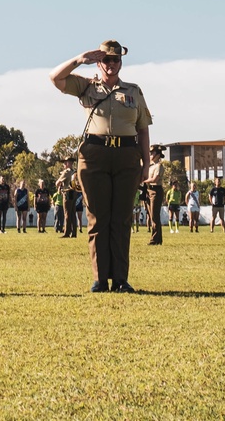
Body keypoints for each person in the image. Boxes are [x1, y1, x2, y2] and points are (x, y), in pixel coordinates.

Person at [50, 39, 151, 293]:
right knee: (97, 218)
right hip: (94, 155)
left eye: (116, 59)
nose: (112, 64)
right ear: (99, 61)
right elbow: (55, 78)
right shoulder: (86, 86)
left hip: (127, 155)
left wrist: (146, 163)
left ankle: (120, 279)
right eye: (106, 59)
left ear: (121, 62)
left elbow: (143, 129)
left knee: (122, 218)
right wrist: (78, 59)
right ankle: (100, 278)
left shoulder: (133, 91)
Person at [144, 145, 166, 244]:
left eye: (152, 153)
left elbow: (154, 179)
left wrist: (142, 181)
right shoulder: (151, 166)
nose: (151, 155)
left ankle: (154, 239)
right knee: (151, 215)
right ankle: (158, 240)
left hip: (156, 191)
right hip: (149, 190)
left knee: (154, 216)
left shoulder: (159, 166)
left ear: (158, 154)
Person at [56, 159, 76, 239]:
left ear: (68, 163)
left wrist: (59, 184)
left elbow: (57, 182)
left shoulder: (66, 172)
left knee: (67, 213)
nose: (64, 164)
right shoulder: (74, 172)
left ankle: (67, 232)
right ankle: (74, 232)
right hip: (74, 192)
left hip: (67, 192)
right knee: (72, 213)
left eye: (65, 163)